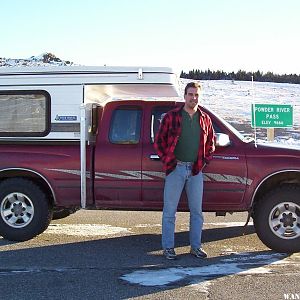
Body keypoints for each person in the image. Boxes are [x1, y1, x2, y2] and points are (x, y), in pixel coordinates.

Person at [154, 81, 215, 260]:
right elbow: (159, 142)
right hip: (176, 168)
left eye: (196, 95)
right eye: (190, 94)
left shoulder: (205, 118)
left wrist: (203, 162)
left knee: (197, 212)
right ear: (184, 96)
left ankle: (195, 247)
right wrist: (168, 161)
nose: (193, 98)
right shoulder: (172, 117)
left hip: (196, 171)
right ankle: (168, 248)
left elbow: (211, 143)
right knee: (170, 212)